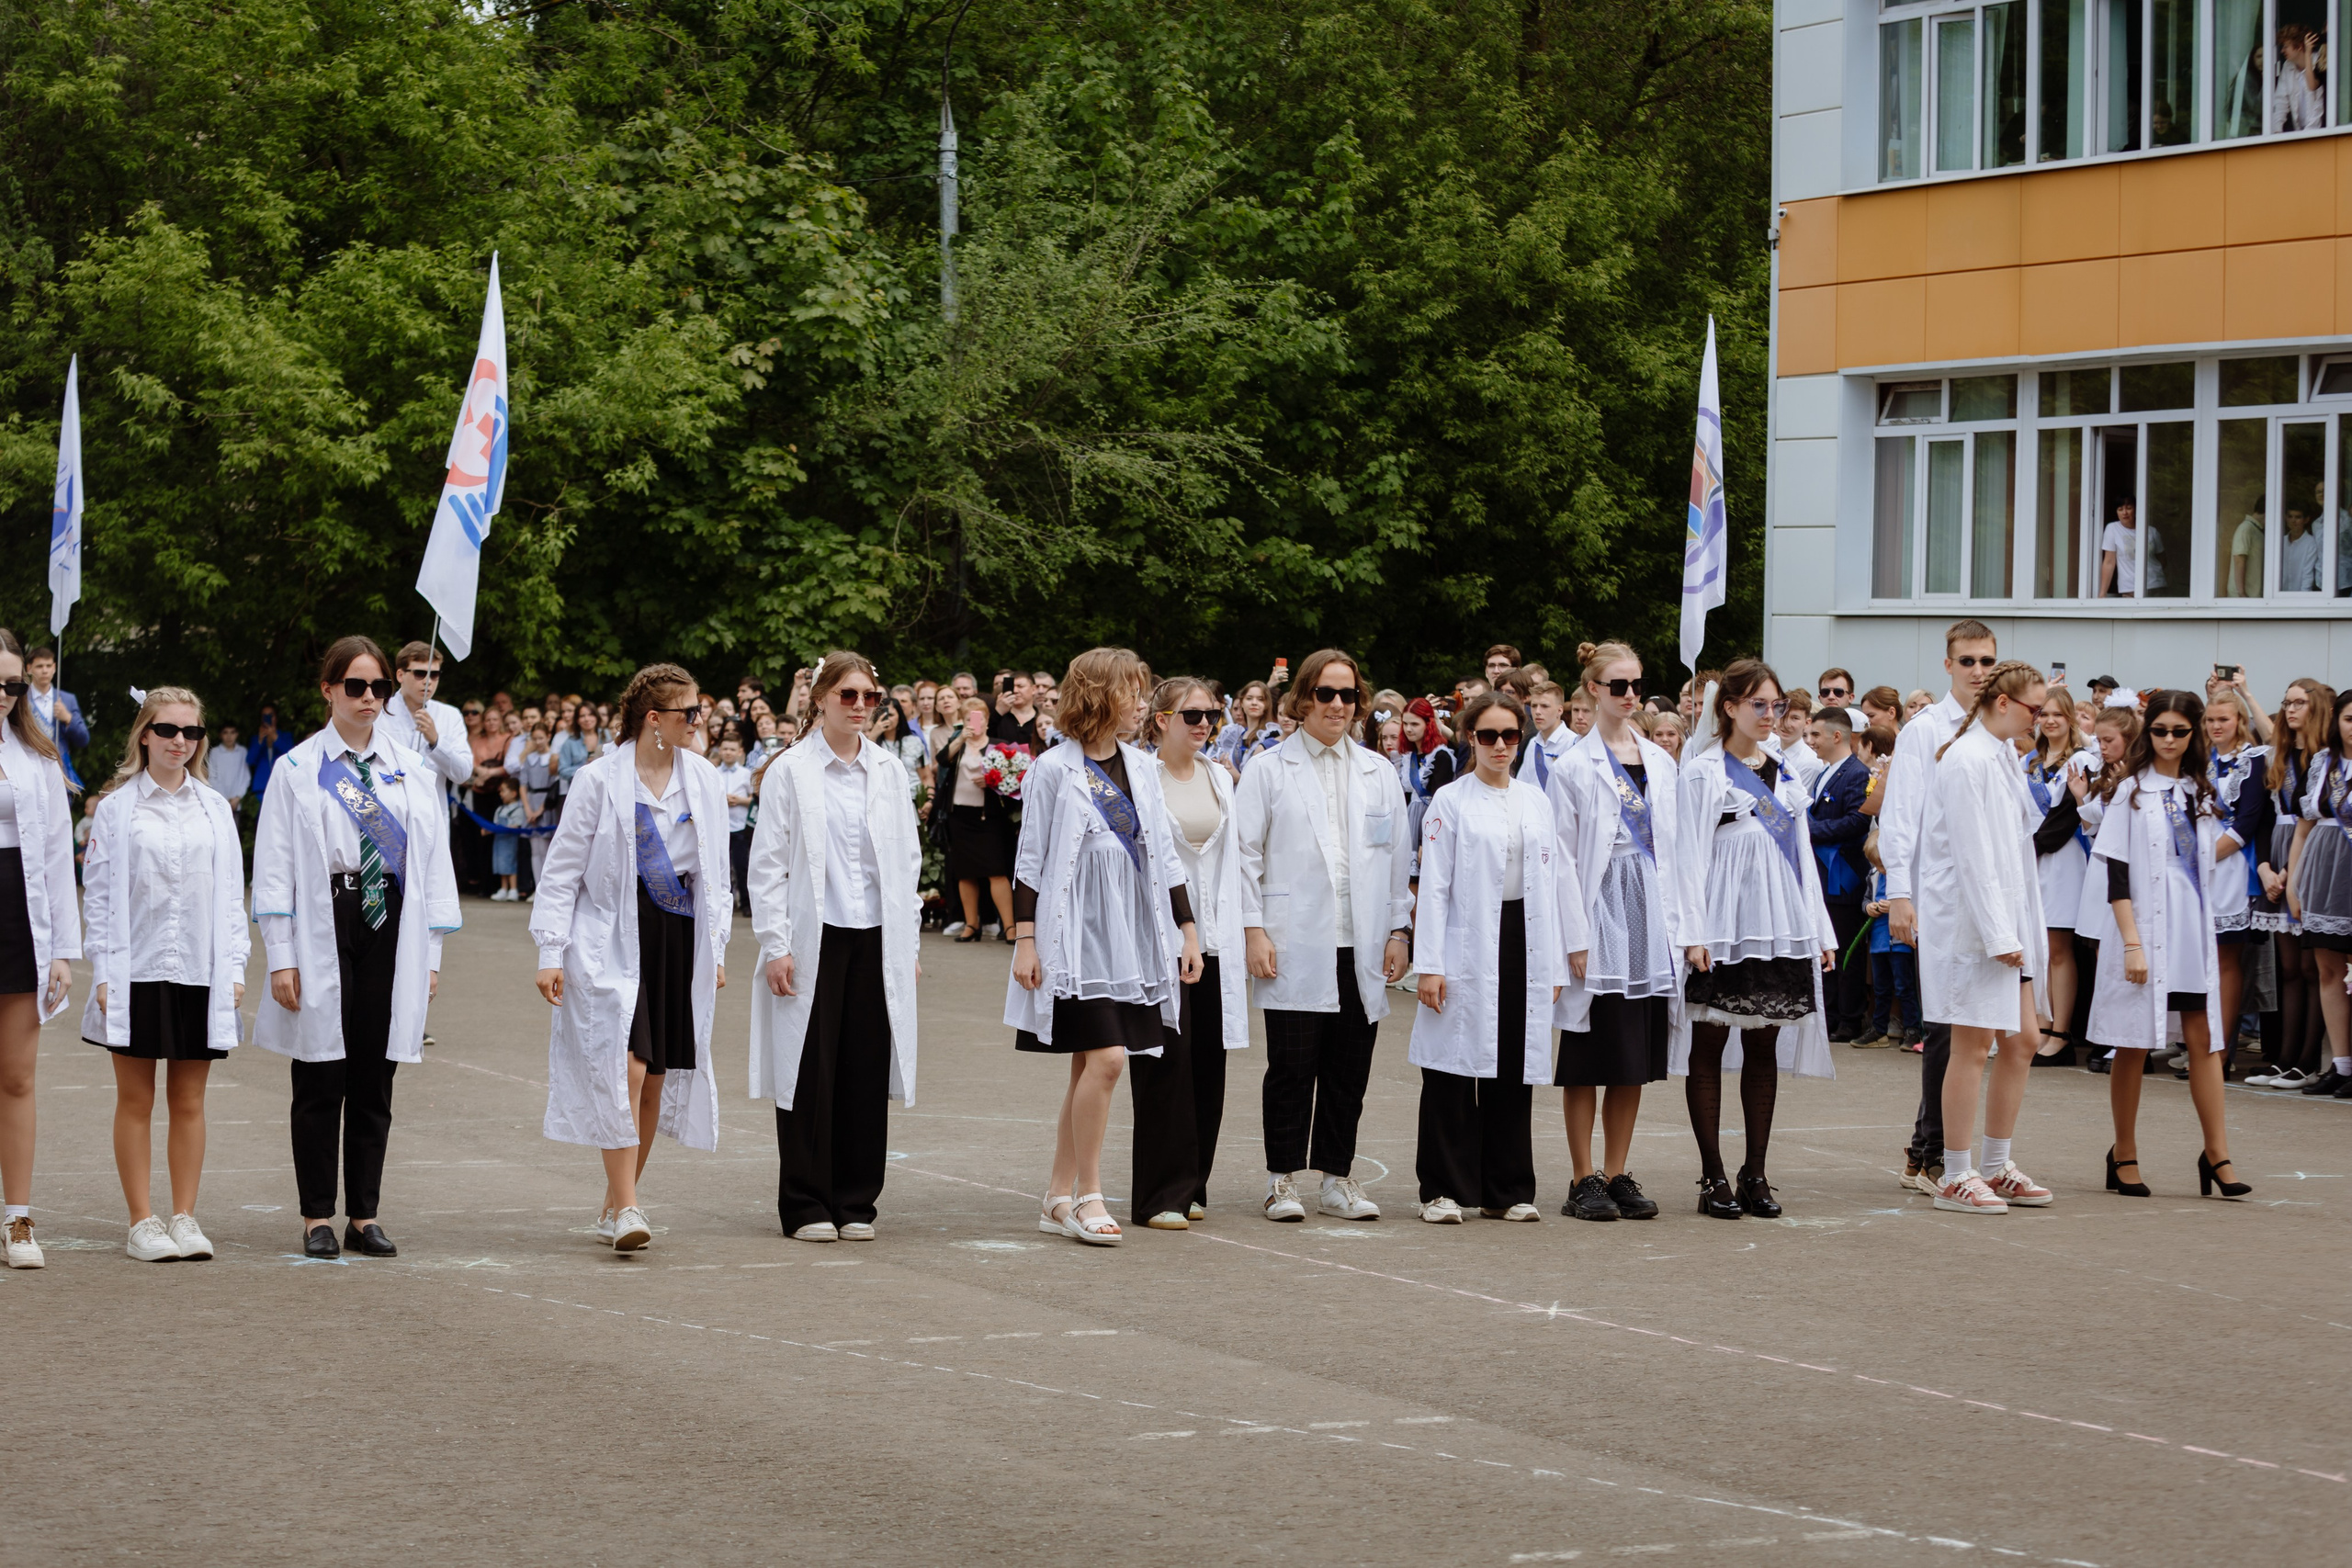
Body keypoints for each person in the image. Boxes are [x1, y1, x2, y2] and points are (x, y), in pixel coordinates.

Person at [253, 636, 460, 1258]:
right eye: (355, 687)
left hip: (391, 920)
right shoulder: (297, 770)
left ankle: (364, 1214)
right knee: (321, 1071)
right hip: (327, 916)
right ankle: (318, 1213)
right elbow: (274, 867)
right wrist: (281, 953)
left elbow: (432, 864)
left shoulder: (413, 768)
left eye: (377, 688)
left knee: (376, 1071)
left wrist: (430, 957)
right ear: (328, 690)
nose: (369, 698)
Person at [532, 662, 729, 1252]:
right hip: (612, 936)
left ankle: (616, 1202)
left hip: (677, 936)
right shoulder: (599, 780)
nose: (700, 720)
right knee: (628, 1067)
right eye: (688, 712)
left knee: (655, 1080)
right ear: (654, 720)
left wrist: (715, 951)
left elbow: (715, 877)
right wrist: (550, 950)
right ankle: (629, 1208)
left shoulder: (704, 780)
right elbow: (563, 869)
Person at [1009, 648, 1201, 1248]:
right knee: (1110, 1060)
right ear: (1097, 696)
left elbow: (1164, 856)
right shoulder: (1051, 769)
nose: (1143, 702)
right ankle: (1090, 1193)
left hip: (1131, 940)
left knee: (1088, 1068)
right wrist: (1025, 940)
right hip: (1073, 941)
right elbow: (1031, 859)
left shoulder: (1143, 768)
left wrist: (1186, 929)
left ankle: (1056, 1194)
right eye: (1132, 690)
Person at [1235, 649, 1413, 1224]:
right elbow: (1244, 856)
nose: (1338, 706)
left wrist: (1397, 929)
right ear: (1303, 698)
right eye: (1326, 694)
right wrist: (1253, 930)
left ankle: (1337, 1177)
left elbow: (1395, 860)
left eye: (1349, 695)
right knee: (1290, 1065)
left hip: (1359, 941)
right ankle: (1281, 1178)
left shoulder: (1378, 772)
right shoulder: (1268, 769)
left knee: (1349, 1067)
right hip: (1294, 938)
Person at [748, 652, 922, 1244]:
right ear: (819, 698)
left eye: (870, 697)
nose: (860, 707)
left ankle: (855, 1202)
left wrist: (909, 942)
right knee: (808, 1067)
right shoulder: (792, 771)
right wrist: (776, 944)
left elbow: (906, 863)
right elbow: (767, 865)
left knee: (865, 1069)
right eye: (848, 695)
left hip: (876, 936)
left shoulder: (890, 771)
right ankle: (805, 1202)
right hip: (812, 937)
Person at [80, 687, 246, 1261]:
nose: (182, 741)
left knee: (191, 1099)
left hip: (199, 968)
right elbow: (99, 898)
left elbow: (230, 897)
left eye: (192, 732)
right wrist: (102, 970)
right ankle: (141, 1221)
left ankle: (184, 1216)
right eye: (170, 730)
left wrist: (236, 966)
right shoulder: (118, 808)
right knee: (135, 1098)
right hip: (136, 968)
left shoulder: (215, 808)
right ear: (144, 733)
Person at [1674, 661, 1838, 1220]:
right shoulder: (1702, 771)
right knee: (1711, 1042)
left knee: (1765, 1044)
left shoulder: (1788, 771)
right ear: (1729, 708)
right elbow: (1687, 857)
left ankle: (1755, 1173)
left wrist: (1819, 927)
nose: (1770, 716)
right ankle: (1713, 1174)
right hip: (1721, 920)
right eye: (1758, 706)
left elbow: (1803, 858)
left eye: (1776, 707)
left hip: (1778, 918)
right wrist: (1692, 931)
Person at [1409, 690, 1579, 1224]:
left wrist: (1553, 962)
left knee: (1512, 1062)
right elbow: (1434, 886)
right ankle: (1442, 1188)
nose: (1501, 745)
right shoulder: (1450, 801)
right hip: (1464, 938)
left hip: (1522, 936)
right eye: (1489, 735)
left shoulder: (1535, 800)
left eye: (1511, 735)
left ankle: (1505, 1187)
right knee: (1452, 1066)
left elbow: (1550, 883)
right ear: (1469, 738)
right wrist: (1430, 963)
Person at [2092, 691, 2249, 1198]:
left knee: (2204, 1041)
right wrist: (2132, 944)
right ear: (2147, 731)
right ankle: (2124, 1152)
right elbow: (2116, 874)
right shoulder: (2131, 792)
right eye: (2159, 730)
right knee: (2134, 1042)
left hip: (2189, 936)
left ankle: (2217, 1154)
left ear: (2194, 734)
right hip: (2143, 933)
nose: (2168, 740)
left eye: (2179, 731)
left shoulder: (2199, 790)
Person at [1548, 643, 1683, 1222]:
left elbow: (1677, 851)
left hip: (1648, 913)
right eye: (1618, 685)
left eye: (1636, 685)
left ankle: (1618, 1169)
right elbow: (1562, 857)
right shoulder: (1574, 766)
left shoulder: (1660, 760)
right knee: (1588, 1052)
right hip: (1598, 908)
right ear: (1593, 690)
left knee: (1632, 1053)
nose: (1630, 696)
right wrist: (1574, 937)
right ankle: (1583, 1177)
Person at [1917, 661, 2055, 1214]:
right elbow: (1972, 854)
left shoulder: (2002, 755)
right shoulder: (1966, 759)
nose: (2040, 720)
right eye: (2034, 709)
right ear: (2004, 704)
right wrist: (1999, 931)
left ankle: (1996, 1164)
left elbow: (2017, 842)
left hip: (2005, 917)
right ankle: (1954, 1173)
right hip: (1973, 925)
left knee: (2022, 1040)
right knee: (1973, 1046)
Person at [1880, 619, 1999, 1196]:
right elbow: (1900, 817)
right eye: (1969, 661)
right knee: (1947, 1025)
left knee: (1969, 1025)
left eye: (1987, 661)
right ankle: (1931, 1155)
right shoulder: (1926, 730)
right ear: (1948, 665)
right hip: (1935, 896)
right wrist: (1899, 895)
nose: (1979, 671)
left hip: (1980, 896)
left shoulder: (1997, 729)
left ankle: (1929, 1149)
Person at [1131, 678, 1248, 1228]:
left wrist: (1246, 930)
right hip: (1161, 940)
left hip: (1215, 938)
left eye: (1212, 716)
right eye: (1193, 715)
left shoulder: (1220, 777)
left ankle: (1195, 1184)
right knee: (1165, 1065)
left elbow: (1236, 861)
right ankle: (1159, 1194)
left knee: (1209, 1064)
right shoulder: (1139, 778)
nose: (1204, 724)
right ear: (1161, 719)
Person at [0, 635, 78, 1269]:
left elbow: (56, 859)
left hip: (18, 921)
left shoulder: (37, 756)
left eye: (13, 686)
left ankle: (17, 1219)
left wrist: (62, 951)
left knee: (18, 1076)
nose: (3, 696)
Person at [2254, 679, 2333, 1090]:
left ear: (2318, 707)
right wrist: (2267, 867)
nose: (2289, 709)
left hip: (2311, 859)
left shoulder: (2325, 759)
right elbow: (2269, 819)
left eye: (2299, 702)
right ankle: (2283, 1058)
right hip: (2280, 856)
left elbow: (2311, 821)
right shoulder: (2281, 755)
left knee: (2312, 967)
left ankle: (2307, 1060)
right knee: (2287, 968)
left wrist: (2290, 871)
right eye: (2286, 702)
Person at [2023, 689, 2101, 1059]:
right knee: (2037, 949)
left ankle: (2062, 1032)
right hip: (2030, 858)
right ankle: (2040, 1025)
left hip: (2062, 858)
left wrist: (2029, 849)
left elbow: (2068, 814)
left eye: (2058, 714)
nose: (2050, 720)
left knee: (2058, 948)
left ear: (2070, 718)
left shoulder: (2083, 759)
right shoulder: (2029, 761)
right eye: (2044, 714)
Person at [2283, 687, 2352, 1102]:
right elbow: (2304, 827)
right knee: (2329, 970)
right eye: (2348, 719)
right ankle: (2341, 1064)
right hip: (2325, 868)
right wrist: (2295, 880)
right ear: (2336, 721)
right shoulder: (2324, 763)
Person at [2205, 687, 2271, 1076]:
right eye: (2211, 720)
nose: (2216, 726)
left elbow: (2247, 820)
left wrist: (2205, 857)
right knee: (2205, 960)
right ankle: (2202, 1042)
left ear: (2240, 721)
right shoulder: (2202, 759)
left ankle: (2222, 1052)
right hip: (2199, 865)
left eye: (2223, 720)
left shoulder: (2254, 760)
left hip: (2230, 865)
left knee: (2227, 960)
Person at [1805, 706, 1872, 1043]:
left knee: (1846, 950)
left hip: (1843, 874)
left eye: (1815, 734)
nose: (1810, 741)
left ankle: (1849, 1018)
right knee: (1827, 948)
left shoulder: (1857, 774)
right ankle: (1830, 1015)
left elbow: (1857, 821)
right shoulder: (1824, 773)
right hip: (1823, 874)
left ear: (1836, 735)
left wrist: (1808, 829)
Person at [938, 695, 1017, 942]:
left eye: (979, 718)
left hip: (988, 818)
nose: (974, 723)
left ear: (986, 721)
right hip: (960, 816)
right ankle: (971, 925)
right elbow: (942, 760)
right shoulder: (958, 744)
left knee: (996, 871)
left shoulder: (998, 745)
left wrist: (992, 781)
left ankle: (1010, 926)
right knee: (965, 872)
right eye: (969, 718)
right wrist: (961, 737)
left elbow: (1014, 779)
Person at [377, 641, 473, 804]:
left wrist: (436, 742)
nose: (428, 681)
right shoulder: (379, 712)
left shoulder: (450, 715)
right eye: (420, 673)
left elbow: (463, 774)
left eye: (434, 675)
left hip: (433, 818)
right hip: (387, 815)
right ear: (400, 675)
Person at [1860, 831, 1922, 1047]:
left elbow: (1913, 902)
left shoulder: (1907, 875)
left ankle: (1913, 1030)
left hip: (1901, 940)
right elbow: (1866, 899)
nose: (1882, 870)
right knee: (1880, 988)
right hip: (1878, 940)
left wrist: (1895, 905)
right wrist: (1869, 907)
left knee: (1904, 987)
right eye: (1878, 864)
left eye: (1884, 864)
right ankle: (1878, 1029)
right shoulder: (1873, 875)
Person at [23, 647, 88, 790]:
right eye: (39, 666)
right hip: (28, 772)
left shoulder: (67, 700)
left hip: (59, 774)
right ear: (29, 668)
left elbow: (83, 739)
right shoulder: (20, 699)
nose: (45, 671)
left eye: (48, 666)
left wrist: (68, 718)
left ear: (54, 668)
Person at [715, 734, 755, 916]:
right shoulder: (714, 772)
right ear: (720, 751)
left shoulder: (746, 774)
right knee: (721, 867)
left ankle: (746, 903)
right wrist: (721, 800)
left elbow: (754, 800)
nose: (728, 753)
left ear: (740, 752)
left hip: (739, 827)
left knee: (742, 867)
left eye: (732, 749)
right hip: (720, 828)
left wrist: (739, 800)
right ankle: (725, 904)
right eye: (725, 749)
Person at [2097, 497, 2165, 597]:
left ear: (2136, 509)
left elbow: (2163, 560)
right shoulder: (2113, 529)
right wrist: (2102, 593)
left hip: (2155, 586)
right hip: (2129, 589)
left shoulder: (2152, 531)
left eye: (2129, 508)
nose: (2124, 513)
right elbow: (2109, 562)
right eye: (2120, 509)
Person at [490, 776, 526, 899]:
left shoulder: (518, 809)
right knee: (501, 864)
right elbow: (495, 824)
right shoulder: (500, 809)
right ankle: (503, 889)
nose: (501, 794)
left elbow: (518, 824)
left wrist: (507, 827)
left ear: (514, 793)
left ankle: (513, 889)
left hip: (510, 842)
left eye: (503, 791)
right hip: (499, 842)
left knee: (510, 864)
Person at [204, 722, 250, 813]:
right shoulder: (215, 752)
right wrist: (223, 799)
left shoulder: (242, 752)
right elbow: (212, 777)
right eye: (225, 732)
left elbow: (246, 777)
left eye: (232, 732)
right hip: (219, 801)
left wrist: (237, 797)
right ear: (220, 735)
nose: (229, 736)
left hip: (236, 802)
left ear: (237, 734)